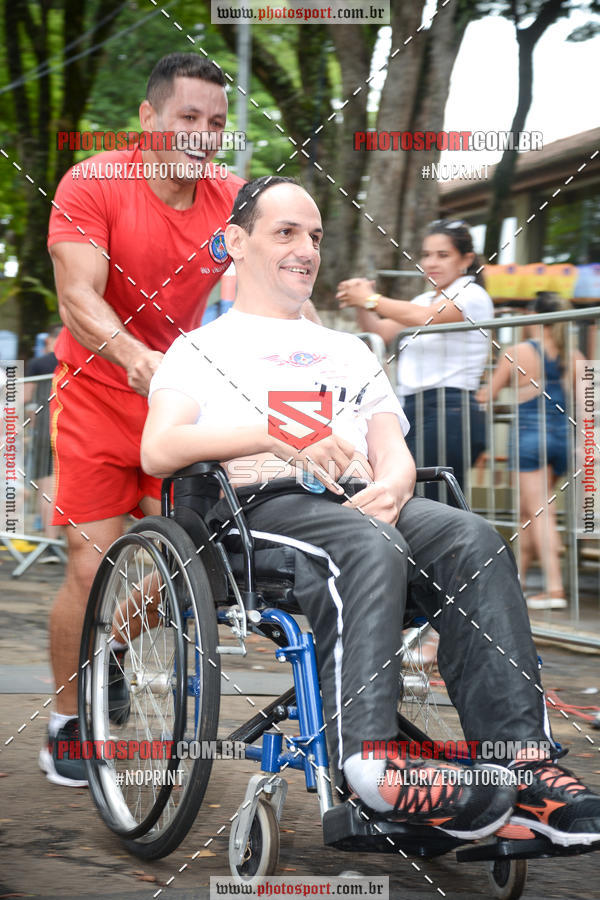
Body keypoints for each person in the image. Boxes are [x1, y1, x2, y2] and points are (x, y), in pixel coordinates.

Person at [142, 176, 600, 846]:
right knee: (366, 544)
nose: (306, 249)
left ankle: (520, 764)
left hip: (360, 502)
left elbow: (395, 450)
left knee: (473, 538)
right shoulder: (202, 347)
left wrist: (392, 483)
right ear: (236, 242)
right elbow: (159, 448)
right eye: (286, 232)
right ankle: (371, 764)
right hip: (258, 511)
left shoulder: (350, 350)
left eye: (316, 237)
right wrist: (274, 433)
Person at [40, 53, 320, 789]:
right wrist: (137, 358)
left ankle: (110, 653)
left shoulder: (231, 199)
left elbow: (276, 286)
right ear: (149, 120)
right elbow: (78, 296)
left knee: (194, 557)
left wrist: (319, 360)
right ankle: (71, 718)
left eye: (217, 123)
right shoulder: (92, 182)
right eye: (188, 118)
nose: (202, 134)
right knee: (90, 563)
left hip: (183, 399)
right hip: (98, 389)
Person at [336, 220, 493, 502]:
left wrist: (370, 298)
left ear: (467, 259)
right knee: (416, 495)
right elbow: (382, 332)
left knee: (434, 499)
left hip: (451, 407)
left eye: (443, 255)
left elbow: (426, 318)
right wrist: (361, 302)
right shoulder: (423, 298)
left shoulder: (472, 294)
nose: (431, 262)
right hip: (415, 408)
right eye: (426, 254)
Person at [476, 293, 584, 610]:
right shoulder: (575, 354)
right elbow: (587, 404)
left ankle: (554, 589)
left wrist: (484, 393)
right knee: (530, 513)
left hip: (529, 439)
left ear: (533, 316)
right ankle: (518, 583)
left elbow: (488, 397)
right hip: (562, 439)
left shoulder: (517, 352)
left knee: (540, 512)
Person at [25, 326, 61, 541]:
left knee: (46, 485)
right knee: (64, 484)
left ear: (48, 340)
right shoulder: (77, 360)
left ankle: (49, 540)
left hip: (45, 428)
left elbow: (26, 396)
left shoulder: (39, 363)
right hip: (70, 427)